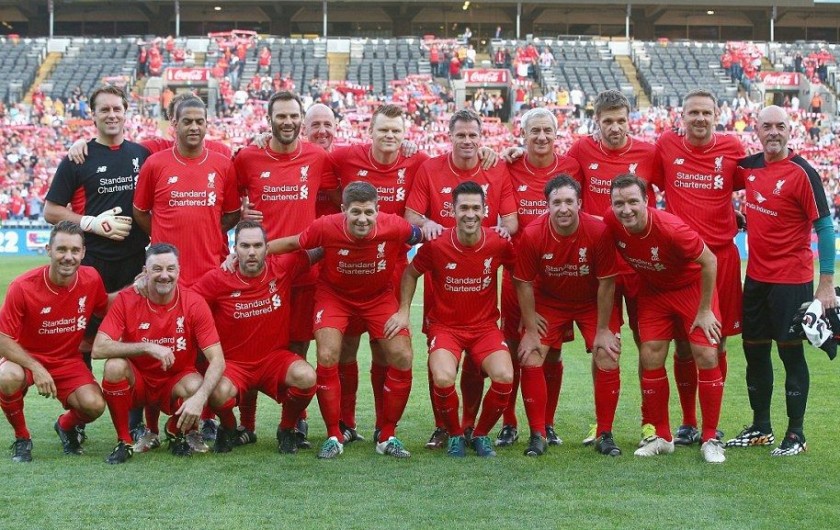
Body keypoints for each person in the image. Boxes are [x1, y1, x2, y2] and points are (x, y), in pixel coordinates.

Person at [262, 181, 422, 459]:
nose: (363, 219)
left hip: (378, 297)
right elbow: (292, 243)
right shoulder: (325, 226)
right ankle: (334, 435)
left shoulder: (394, 225)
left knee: (402, 355)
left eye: (369, 212)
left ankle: (387, 435)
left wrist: (437, 229)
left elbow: (421, 234)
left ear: (378, 210)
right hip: (334, 296)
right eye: (356, 212)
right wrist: (250, 253)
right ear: (343, 210)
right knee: (327, 355)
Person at [405, 108, 517, 449]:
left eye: (473, 135)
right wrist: (426, 225)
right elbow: (412, 216)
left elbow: (511, 222)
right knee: (440, 360)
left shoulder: (497, 167)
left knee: (477, 362)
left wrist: (500, 230)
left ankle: (469, 425)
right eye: (461, 135)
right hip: (442, 278)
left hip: (479, 272)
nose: (467, 141)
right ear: (449, 136)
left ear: (481, 138)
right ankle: (444, 427)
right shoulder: (430, 168)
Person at [728, 105, 835, 456]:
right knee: (754, 351)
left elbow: (824, 226)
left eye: (780, 126)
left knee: (791, 355)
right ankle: (761, 428)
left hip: (792, 280)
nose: (773, 132)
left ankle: (796, 435)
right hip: (756, 278)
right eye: (766, 126)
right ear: (756, 131)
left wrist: (826, 284)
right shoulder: (750, 167)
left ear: (791, 130)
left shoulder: (803, 172)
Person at [386, 181, 515, 458]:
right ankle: (456, 434)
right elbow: (410, 273)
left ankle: (479, 435)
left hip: (484, 328)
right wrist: (403, 311)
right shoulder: (437, 244)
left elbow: (521, 275)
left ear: (485, 210)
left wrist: (528, 316)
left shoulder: (498, 242)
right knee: (443, 377)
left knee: (504, 376)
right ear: (453, 211)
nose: (470, 214)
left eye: (476, 208)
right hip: (446, 328)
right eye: (464, 208)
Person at [605, 174, 726, 464]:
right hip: (654, 292)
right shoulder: (611, 222)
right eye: (619, 203)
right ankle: (662, 437)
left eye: (633, 201)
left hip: (691, 289)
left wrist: (705, 309)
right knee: (650, 355)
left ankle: (710, 437)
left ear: (647, 201)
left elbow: (709, 261)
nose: (626, 209)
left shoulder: (671, 229)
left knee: (706, 354)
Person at [327, 104, 430, 443]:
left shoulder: (417, 161)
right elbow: (314, 159)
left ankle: (384, 426)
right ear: (369, 131)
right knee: (346, 348)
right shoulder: (344, 157)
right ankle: (346, 421)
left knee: (387, 349)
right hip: (348, 269)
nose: (389, 136)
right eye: (383, 129)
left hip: (391, 272)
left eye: (396, 131)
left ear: (405, 135)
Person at [652, 89, 746, 446]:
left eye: (706, 112)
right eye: (693, 113)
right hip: (681, 261)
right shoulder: (666, 146)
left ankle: (712, 424)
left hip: (721, 258)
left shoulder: (733, 148)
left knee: (715, 342)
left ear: (717, 114)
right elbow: (646, 180)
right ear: (682, 117)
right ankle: (689, 423)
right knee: (683, 342)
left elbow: (751, 180)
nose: (700, 119)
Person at [566, 89, 660, 444]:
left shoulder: (649, 153)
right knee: (605, 343)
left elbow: (677, 194)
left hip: (641, 265)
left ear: (630, 119)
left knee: (647, 342)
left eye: (621, 120)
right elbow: (554, 174)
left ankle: (650, 423)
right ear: (597, 121)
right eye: (608, 121)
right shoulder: (581, 150)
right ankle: (602, 423)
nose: (615, 127)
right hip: (601, 266)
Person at [515, 175, 623, 457]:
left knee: (606, 353)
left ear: (580, 204)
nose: (563, 208)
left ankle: (605, 434)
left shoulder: (598, 231)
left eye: (568, 202)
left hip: (592, 301)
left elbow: (607, 282)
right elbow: (523, 283)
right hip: (550, 300)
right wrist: (529, 328)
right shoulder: (532, 234)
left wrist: (602, 329)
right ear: (547, 206)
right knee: (532, 354)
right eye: (556, 202)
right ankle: (538, 434)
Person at [93, 243, 227, 463]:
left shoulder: (193, 302)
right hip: (140, 380)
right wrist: (147, 347)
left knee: (196, 386)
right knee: (114, 366)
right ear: (145, 271)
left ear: (179, 270)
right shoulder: (128, 299)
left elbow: (218, 360)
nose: (164, 275)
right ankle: (124, 441)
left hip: (175, 380)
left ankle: (175, 431)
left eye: (170, 269)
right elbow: (98, 348)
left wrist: (200, 400)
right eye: (157, 269)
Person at [191, 221, 318, 454]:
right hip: (234, 365)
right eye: (245, 245)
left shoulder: (282, 266)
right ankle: (230, 428)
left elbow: (319, 247)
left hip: (273, 360)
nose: (251, 252)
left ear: (267, 247)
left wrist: (347, 231)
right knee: (216, 392)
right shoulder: (218, 279)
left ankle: (286, 429)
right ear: (234, 248)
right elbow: (188, 303)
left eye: (258, 245)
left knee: (307, 377)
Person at [497, 107, 582, 448]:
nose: (542, 137)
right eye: (535, 131)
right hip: (517, 277)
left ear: (557, 134)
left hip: (555, 282)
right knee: (515, 350)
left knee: (553, 353)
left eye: (548, 130)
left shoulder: (572, 168)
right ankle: (509, 422)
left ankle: (546, 423)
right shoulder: (509, 166)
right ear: (524, 134)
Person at [0, 221, 108, 462]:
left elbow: (105, 308)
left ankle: (65, 425)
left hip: (67, 360)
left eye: (74, 250)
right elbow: (2, 339)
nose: (68, 257)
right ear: (48, 250)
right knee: (7, 377)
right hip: (25, 358)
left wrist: (137, 289)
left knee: (94, 406)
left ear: (83, 253)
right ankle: (22, 438)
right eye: (61, 250)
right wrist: (36, 368)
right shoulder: (22, 286)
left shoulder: (91, 279)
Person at [133, 97, 241, 288]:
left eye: (199, 122)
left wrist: (210, 232)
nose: (194, 127)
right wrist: (161, 233)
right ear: (175, 123)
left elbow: (232, 214)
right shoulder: (154, 164)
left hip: (209, 271)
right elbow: (140, 211)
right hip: (166, 273)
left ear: (207, 124)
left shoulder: (223, 164)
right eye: (187, 121)